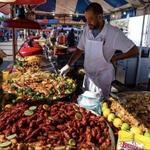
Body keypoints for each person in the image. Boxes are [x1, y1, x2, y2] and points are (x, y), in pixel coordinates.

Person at [60, 2, 139, 98]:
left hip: (103, 78)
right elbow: (79, 50)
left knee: (101, 106)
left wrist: (116, 57)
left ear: (100, 17)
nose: (88, 22)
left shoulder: (114, 33)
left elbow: (134, 50)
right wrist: (69, 64)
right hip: (89, 76)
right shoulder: (86, 30)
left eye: (91, 19)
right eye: (86, 19)